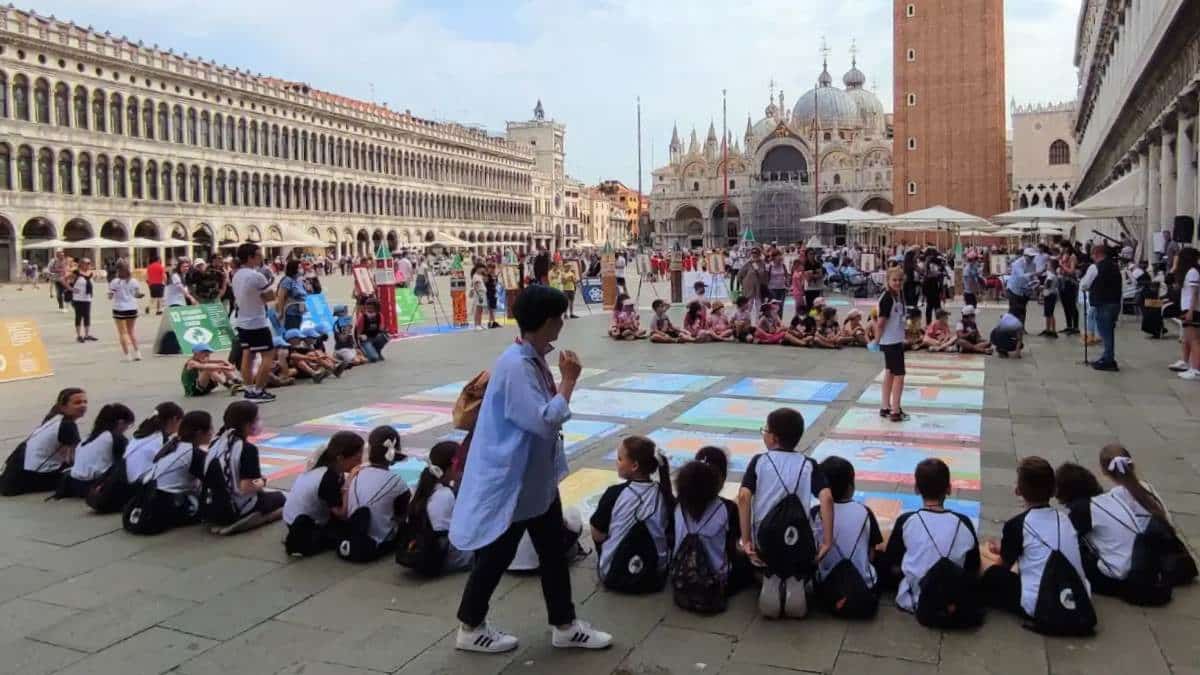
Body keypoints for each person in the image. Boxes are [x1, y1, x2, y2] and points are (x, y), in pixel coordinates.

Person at [450, 284, 612, 654]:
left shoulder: (530, 356)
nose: (561, 324)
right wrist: (570, 381)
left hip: (533, 480)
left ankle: (565, 624)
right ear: (545, 321)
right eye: (558, 317)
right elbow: (542, 421)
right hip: (515, 480)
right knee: (496, 554)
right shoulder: (517, 365)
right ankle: (471, 626)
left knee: (552, 552)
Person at [1063, 445, 1196, 599]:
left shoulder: (1116, 496)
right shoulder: (1147, 487)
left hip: (1141, 558)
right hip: (1163, 548)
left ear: (1104, 470)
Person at [737, 407, 833, 619]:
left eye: (766, 430)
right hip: (799, 540)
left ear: (773, 438)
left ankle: (770, 576)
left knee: (765, 552)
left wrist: (746, 541)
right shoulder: (808, 464)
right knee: (799, 549)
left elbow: (744, 497)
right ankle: (795, 580)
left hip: (766, 539)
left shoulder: (759, 461)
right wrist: (827, 541)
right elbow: (826, 497)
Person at [982, 458, 1094, 634]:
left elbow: (1003, 565)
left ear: (1018, 490)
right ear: (1053, 489)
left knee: (989, 571)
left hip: (1042, 604)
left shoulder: (1017, 525)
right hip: (1078, 597)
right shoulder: (1064, 519)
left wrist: (988, 555)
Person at [878, 458, 982, 627]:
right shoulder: (964, 522)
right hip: (953, 594)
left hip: (916, 597)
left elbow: (892, 563)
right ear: (949, 489)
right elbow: (973, 566)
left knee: (883, 558)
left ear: (916, 489)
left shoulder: (907, 520)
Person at [590, 436, 674, 594]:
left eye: (620, 458)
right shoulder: (664, 493)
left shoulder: (614, 493)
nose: (616, 462)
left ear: (634, 465)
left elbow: (597, 533)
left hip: (614, 574)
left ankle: (609, 560)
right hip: (655, 574)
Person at [812, 456, 883, 618]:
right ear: (851, 486)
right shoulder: (864, 511)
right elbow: (871, 554)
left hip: (826, 586)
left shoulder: (815, 513)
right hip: (862, 586)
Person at [201, 401, 287, 534]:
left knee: (263, 495)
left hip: (209, 507)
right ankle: (244, 521)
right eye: (257, 419)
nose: (259, 422)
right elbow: (246, 487)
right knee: (281, 498)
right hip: (233, 509)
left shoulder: (216, 442)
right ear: (247, 424)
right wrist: (262, 481)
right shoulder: (247, 449)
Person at [669, 457, 740, 613]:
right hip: (716, 578)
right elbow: (734, 542)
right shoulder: (727, 508)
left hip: (681, 574)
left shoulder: (678, 506)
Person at [124, 411, 212, 534]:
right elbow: (212, 480)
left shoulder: (174, 444)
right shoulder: (193, 453)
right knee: (208, 503)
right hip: (160, 505)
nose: (212, 433)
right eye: (210, 429)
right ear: (199, 433)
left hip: (142, 499)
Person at [283, 431, 362, 557]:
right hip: (303, 525)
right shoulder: (329, 478)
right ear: (340, 458)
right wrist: (349, 481)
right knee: (351, 531)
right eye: (357, 459)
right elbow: (342, 514)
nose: (360, 463)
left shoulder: (328, 467)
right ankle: (300, 543)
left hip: (291, 517)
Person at [339, 426, 411, 562]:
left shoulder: (357, 472)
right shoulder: (397, 482)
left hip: (351, 533)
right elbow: (401, 515)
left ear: (370, 449)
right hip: (378, 541)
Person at [399, 441, 473, 574]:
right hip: (444, 555)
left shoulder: (419, 488)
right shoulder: (446, 494)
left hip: (421, 547)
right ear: (453, 465)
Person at [1, 388, 87, 496]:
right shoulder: (67, 425)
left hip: (15, 471)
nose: (83, 406)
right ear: (63, 407)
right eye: (77, 403)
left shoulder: (54, 417)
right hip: (29, 477)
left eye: (85, 402)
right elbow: (78, 458)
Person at [231, 243, 278, 402]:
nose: (261, 257)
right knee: (268, 354)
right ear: (250, 257)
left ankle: (249, 389)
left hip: (242, 320)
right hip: (257, 321)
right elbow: (269, 298)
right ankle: (258, 390)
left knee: (248, 354)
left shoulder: (237, 274)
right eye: (258, 255)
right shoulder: (256, 276)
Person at [58, 403, 135, 499]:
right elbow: (125, 465)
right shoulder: (116, 438)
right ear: (120, 423)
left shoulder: (86, 438)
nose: (126, 429)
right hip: (92, 486)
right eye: (128, 425)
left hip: (75, 484)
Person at [873, 267, 908, 422]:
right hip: (891, 341)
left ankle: (885, 406)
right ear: (888, 281)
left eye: (900, 280)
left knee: (890, 373)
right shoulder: (888, 298)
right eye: (894, 280)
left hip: (894, 339)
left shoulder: (898, 296)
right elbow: (881, 322)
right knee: (899, 375)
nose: (897, 283)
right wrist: (876, 340)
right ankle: (895, 410)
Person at [1080, 244, 1122, 371]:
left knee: (1106, 333)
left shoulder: (1095, 267)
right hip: (1115, 302)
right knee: (1109, 332)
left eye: (1092, 254)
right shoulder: (1115, 266)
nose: (1091, 257)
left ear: (1097, 254)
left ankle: (1109, 359)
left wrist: (1084, 286)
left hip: (1103, 303)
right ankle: (1106, 357)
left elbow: (1085, 284)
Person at [124, 402, 184, 485]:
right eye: (181, 422)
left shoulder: (146, 432)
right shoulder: (158, 439)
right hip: (138, 484)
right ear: (174, 419)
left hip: (127, 477)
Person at [1170, 247, 1200, 380]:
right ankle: (1189, 364)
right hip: (1187, 307)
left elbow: (1194, 293)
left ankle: (1196, 369)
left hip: (1192, 309)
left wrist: (1191, 311)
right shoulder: (1189, 272)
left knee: (1194, 340)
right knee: (1188, 339)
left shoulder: (1193, 272)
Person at [108, 261, 144, 361]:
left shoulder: (115, 282)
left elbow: (110, 296)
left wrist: (111, 294)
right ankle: (137, 353)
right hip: (132, 307)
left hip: (119, 308)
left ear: (118, 270)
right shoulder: (134, 281)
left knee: (122, 333)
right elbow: (137, 295)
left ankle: (127, 355)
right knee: (131, 332)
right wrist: (139, 295)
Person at [67, 258, 98, 343]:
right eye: (87, 263)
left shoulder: (90, 273)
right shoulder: (76, 273)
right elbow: (64, 279)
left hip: (87, 298)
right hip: (78, 299)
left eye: (89, 263)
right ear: (81, 264)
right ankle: (78, 336)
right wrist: (71, 288)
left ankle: (87, 335)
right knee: (78, 316)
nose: (88, 265)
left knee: (87, 316)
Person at [1006, 248, 1037, 325]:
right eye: (1030, 256)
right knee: (1014, 309)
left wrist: (1036, 281)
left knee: (1023, 309)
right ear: (1025, 256)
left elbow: (1033, 277)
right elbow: (1022, 276)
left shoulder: (1033, 264)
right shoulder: (1017, 263)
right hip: (1014, 289)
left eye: (1033, 256)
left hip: (1025, 290)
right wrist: (1034, 274)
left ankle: (1021, 328)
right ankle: (1010, 327)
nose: (1032, 258)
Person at [736, 248, 768, 320]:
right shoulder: (748, 264)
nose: (754, 255)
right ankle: (746, 322)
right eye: (753, 254)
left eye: (756, 253)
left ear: (759, 254)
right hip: (749, 290)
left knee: (759, 307)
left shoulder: (762, 264)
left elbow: (765, 276)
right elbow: (739, 275)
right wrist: (744, 284)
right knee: (748, 306)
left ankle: (758, 323)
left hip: (759, 289)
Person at [278, 260, 309, 331]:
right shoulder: (287, 280)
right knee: (292, 334)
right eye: (299, 267)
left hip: (299, 311)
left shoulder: (299, 280)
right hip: (291, 312)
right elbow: (281, 297)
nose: (301, 269)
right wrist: (280, 311)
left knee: (297, 332)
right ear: (294, 269)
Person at [356, 298, 389, 362]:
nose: (369, 310)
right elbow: (357, 332)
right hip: (366, 340)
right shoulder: (362, 317)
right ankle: (366, 352)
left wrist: (384, 330)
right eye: (368, 308)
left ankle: (377, 351)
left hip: (374, 337)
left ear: (376, 308)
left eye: (371, 308)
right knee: (374, 358)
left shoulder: (380, 316)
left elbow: (381, 329)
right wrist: (360, 336)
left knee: (385, 337)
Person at [922, 248, 945, 326]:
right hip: (931, 285)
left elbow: (926, 274)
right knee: (934, 305)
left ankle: (934, 324)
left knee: (933, 305)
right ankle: (932, 324)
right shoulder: (930, 262)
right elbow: (927, 274)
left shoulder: (933, 261)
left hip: (932, 285)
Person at [1040, 258, 1060, 338]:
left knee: (1050, 313)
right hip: (1050, 294)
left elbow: (1047, 285)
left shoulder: (1051, 276)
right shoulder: (1052, 274)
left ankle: (1053, 331)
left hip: (1050, 295)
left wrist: (1040, 287)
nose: (1047, 265)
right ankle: (1048, 329)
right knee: (1048, 313)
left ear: (1051, 266)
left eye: (1048, 264)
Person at [470, 263, 488, 331]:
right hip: (479, 294)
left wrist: (485, 274)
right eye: (482, 268)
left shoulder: (480, 275)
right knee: (478, 310)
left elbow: (486, 281)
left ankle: (479, 324)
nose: (483, 269)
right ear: (478, 268)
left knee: (480, 310)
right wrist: (479, 295)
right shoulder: (475, 276)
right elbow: (476, 286)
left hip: (483, 293)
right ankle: (476, 324)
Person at [485, 262, 500, 329]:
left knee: (493, 308)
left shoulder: (494, 275)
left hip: (494, 292)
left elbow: (495, 283)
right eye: (492, 268)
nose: (493, 269)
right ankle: (491, 322)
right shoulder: (487, 275)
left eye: (494, 268)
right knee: (491, 308)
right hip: (489, 293)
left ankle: (492, 322)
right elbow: (486, 283)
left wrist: (496, 276)